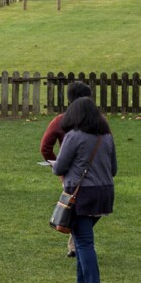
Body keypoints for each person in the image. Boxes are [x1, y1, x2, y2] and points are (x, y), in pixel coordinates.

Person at [52, 97, 116, 283]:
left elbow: (59, 167)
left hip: (82, 194)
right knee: (81, 239)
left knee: (84, 241)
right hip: (104, 193)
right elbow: (113, 169)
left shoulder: (74, 136)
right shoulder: (106, 136)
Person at [40, 81, 92, 257]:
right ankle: (76, 245)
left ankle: (76, 245)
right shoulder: (97, 122)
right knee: (82, 211)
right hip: (93, 172)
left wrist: (58, 165)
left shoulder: (60, 121)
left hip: (69, 172)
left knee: (73, 207)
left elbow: (45, 147)